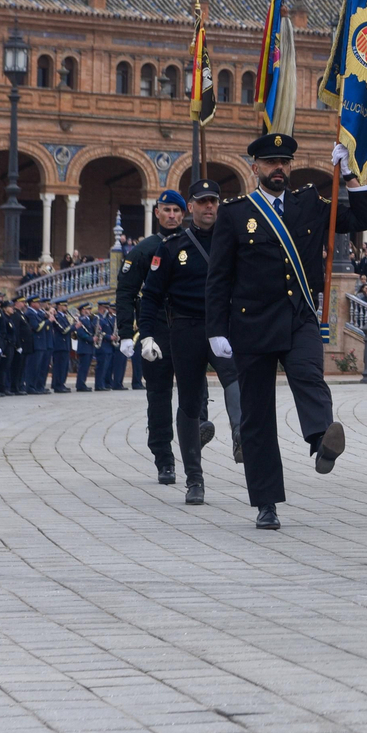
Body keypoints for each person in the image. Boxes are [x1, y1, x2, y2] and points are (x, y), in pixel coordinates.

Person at [205, 133, 367, 530]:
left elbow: (362, 219)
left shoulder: (310, 204)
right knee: (257, 416)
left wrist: (350, 174)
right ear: (255, 168)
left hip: (299, 315)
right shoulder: (235, 213)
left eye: (284, 162)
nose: (278, 168)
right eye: (270, 162)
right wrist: (216, 329)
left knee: (308, 375)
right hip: (250, 322)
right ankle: (266, 503)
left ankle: (321, 440)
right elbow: (218, 278)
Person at [139, 178, 246, 506]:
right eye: (202, 202)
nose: (209, 207)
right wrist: (146, 335)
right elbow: (152, 296)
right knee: (188, 402)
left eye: (213, 200)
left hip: (224, 327)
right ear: (192, 208)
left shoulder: (233, 243)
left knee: (235, 380)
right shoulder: (172, 248)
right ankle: (194, 479)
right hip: (185, 329)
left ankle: (241, 435)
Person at [117, 190, 198, 478]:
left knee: (195, 391)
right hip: (157, 331)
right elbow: (126, 293)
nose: (173, 216)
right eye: (167, 210)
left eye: (177, 211)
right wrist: (127, 332)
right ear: (157, 213)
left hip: (188, 327)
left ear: (184, 213)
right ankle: (164, 457)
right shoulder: (144, 249)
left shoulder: (195, 243)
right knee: (159, 395)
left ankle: (197, 436)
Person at [48, 300, 72, 393]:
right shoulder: (58, 317)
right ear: (59, 306)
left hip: (65, 344)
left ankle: (60, 383)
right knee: (60, 366)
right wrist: (74, 326)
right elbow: (63, 330)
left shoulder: (64, 316)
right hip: (60, 345)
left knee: (64, 366)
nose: (66, 307)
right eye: (64, 306)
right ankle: (59, 385)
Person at [73, 303, 97, 391]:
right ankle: (80, 385)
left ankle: (82, 383)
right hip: (84, 347)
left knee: (85, 368)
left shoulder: (89, 319)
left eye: (90, 309)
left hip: (89, 348)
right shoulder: (81, 319)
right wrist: (91, 339)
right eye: (88, 309)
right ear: (83, 310)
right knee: (83, 368)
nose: (89, 311)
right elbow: (81, 333)